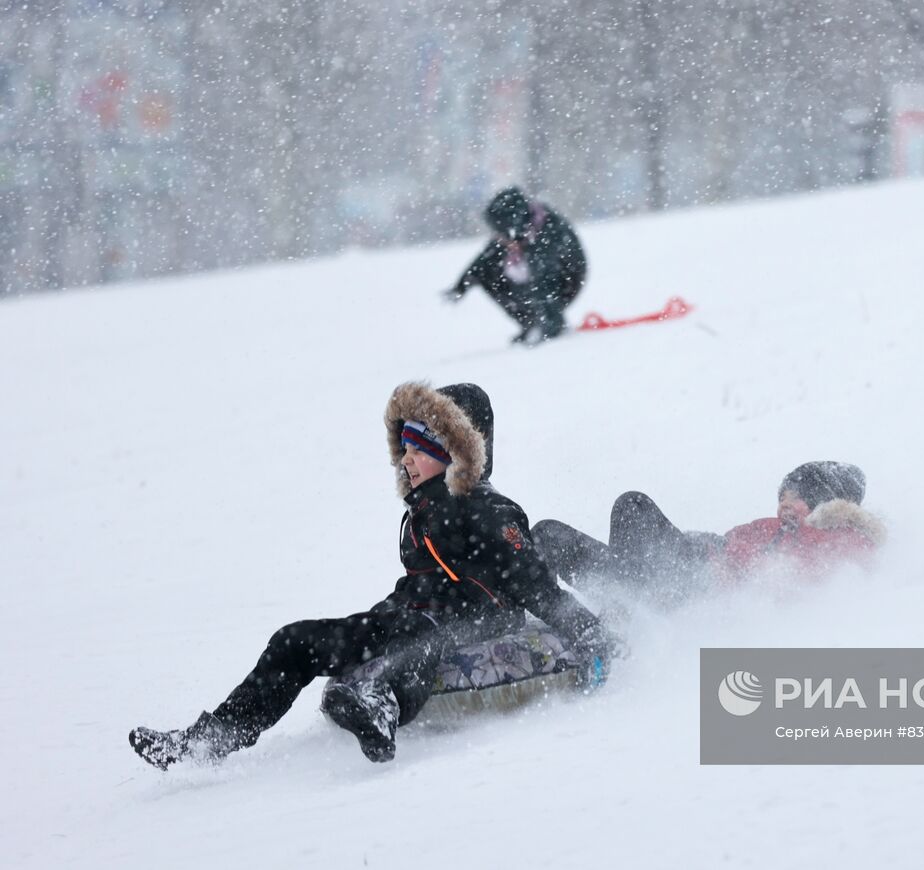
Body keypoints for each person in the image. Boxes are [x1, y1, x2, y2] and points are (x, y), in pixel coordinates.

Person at [129, 381, 613, 767]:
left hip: (471, 623)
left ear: (457, 453)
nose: (406, 459)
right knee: (294, 640)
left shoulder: (489, 510)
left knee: (420, 637)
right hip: (408, 616)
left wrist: (589, 633)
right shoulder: (421, 511)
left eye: (419, 448)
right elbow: (420, 586)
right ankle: (210, 739)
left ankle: (382, 708)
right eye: (404, 447)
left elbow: (534, 584)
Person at [533, 461, 885, 605]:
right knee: (547, 535)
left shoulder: (843, 540)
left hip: (700, 585)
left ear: (827, 505)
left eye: (797, 499)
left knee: (633, 505)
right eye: (782, 498)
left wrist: (728, 567)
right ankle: (569, 615)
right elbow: (728, 542)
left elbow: (810, 573)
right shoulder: (770, 528)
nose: (784, 506)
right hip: (689, 565)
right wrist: (703, 543)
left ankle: (630, 608)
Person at [444, 186, 587, 345]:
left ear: (515, 228)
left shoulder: (549, 230)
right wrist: (461, 286)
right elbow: (483, 261)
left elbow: (545, 280)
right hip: (535, 281)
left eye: (501, 234)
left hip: (566, 282)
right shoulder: (517, 226)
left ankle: (549, 323)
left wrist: (552, 327)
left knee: (539, 274)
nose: (499, 238)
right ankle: (530, 323)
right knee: (488, 272)